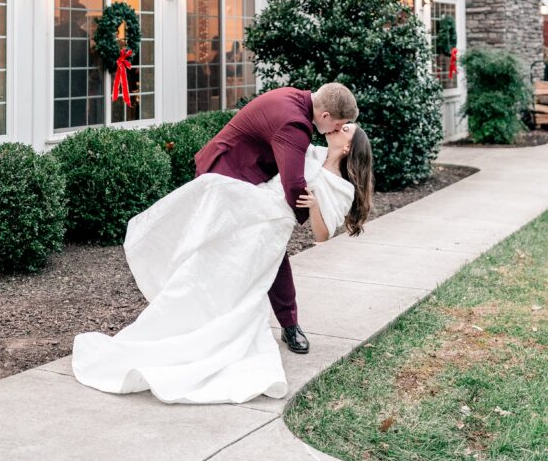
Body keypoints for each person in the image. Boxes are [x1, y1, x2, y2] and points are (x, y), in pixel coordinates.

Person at [72, 120, 373, 405]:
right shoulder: (309, 150)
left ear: (348, 147)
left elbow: (321, 235)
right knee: (208, 231)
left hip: (269, 230)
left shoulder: (341, 187)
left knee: (236, 285)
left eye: (345, 128)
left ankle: (214, 339)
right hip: (246, 206)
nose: (337, 125)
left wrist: (316, 207)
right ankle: (177, 319)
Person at [194, 83, 358, 354]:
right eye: (339, 124)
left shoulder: (294, 99)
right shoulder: (296, 123)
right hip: (224, 179)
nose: (336, 130)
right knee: (222, 253)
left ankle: (288, 324)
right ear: (326, 116)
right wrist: (308, 214)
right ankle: (211, 321)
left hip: (247, 183)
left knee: (270, 251)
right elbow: (293, 184)